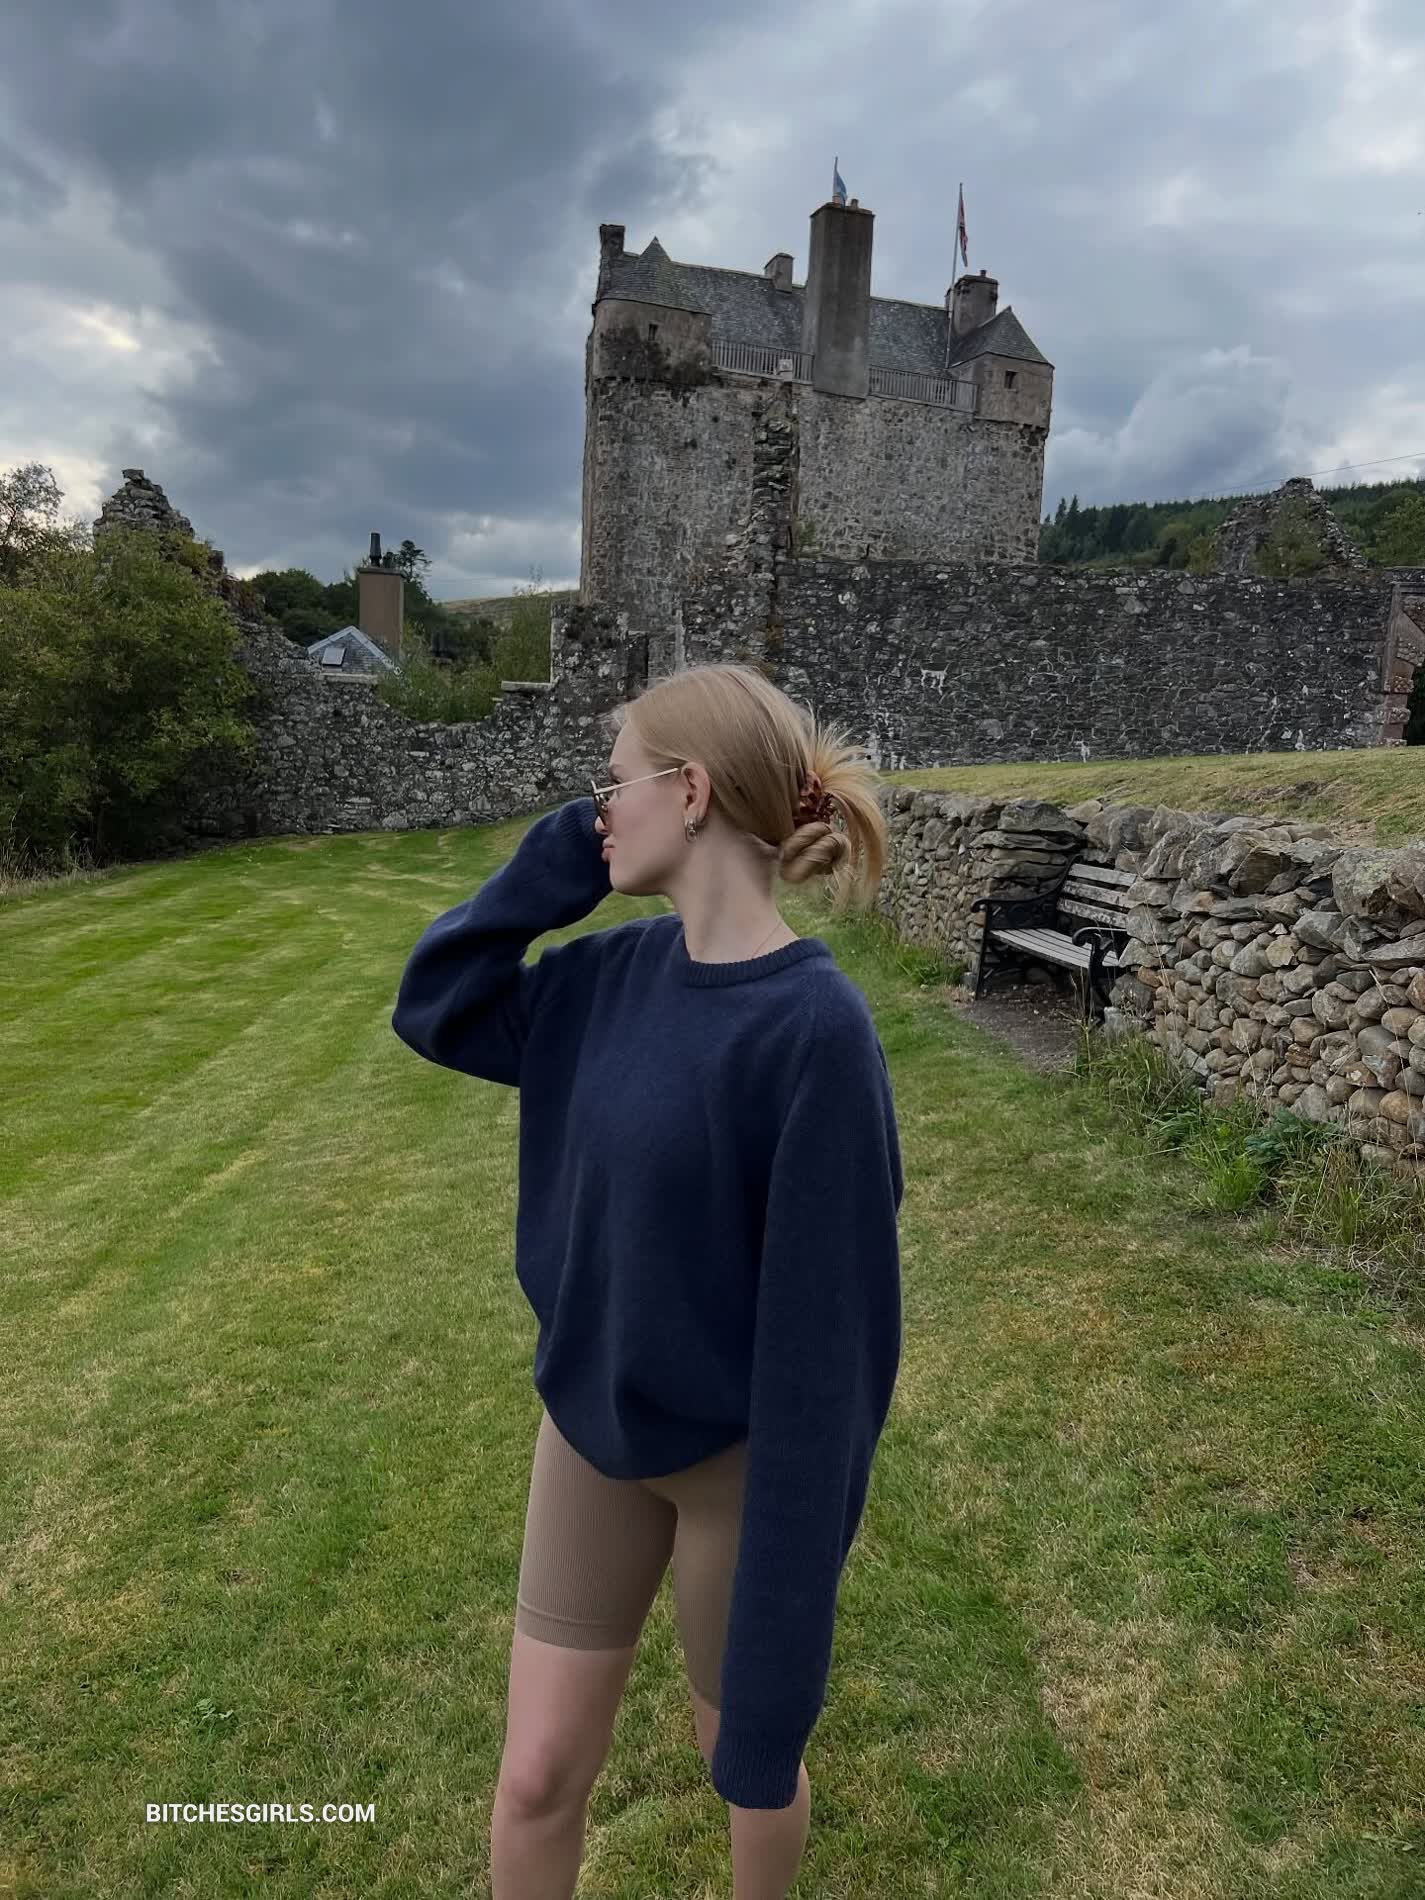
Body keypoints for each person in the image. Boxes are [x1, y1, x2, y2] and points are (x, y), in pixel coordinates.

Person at [390, 661, 904, 1899]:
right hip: (592, 1435)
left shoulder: (814, 1032)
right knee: (535, 1774)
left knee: (747, 1760)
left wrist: (789, 1605)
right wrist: (575, 848)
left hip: (736, 1471)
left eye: (610, 783)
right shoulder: (600, 982)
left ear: (692, 790)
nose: (596, 808)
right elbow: (438, 1002)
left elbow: (831, 1360)